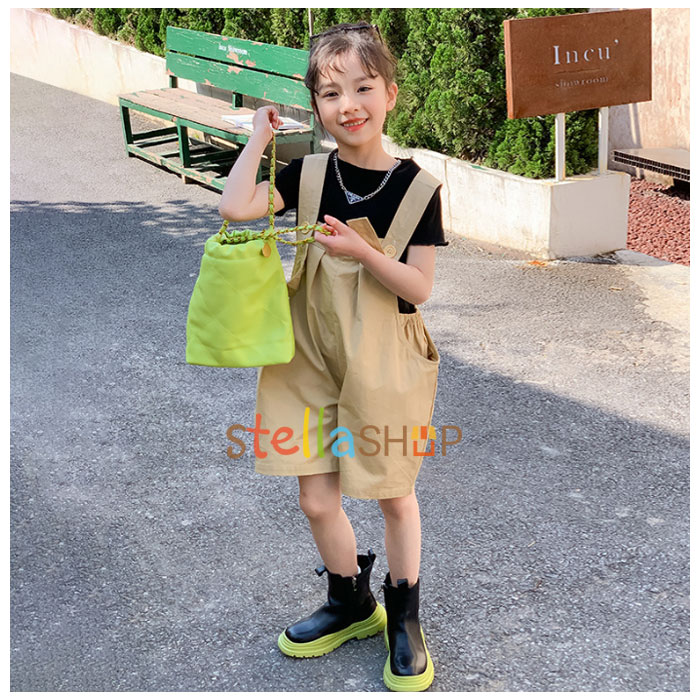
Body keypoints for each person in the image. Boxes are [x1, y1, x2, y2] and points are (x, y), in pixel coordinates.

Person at [218, 21, 448, 692]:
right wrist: (259, 138)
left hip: (386, 360)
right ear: (315, 105)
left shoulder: (418, 188)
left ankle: (404, 616)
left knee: (394, 492)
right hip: (308, 356)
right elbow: (236, 206)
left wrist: (362, 252)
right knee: (316, 498)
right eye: (330, 93)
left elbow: (419, 288)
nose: (349, 105)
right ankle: (351, 601)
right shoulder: (309, 174)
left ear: (390, 94)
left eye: (363, 88)